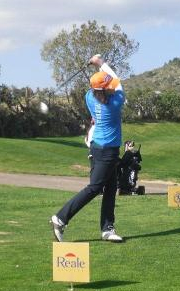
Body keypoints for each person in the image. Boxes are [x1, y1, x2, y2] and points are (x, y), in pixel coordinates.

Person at [50, 55, 125, 243]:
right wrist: (100, 63)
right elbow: (117, 81)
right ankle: (60, 218)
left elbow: (105, 82)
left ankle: (107, 228)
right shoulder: (115, 103)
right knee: (95, 187)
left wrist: (99, 71)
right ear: (105, 89)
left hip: (98, 146)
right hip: (107, 150)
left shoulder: (89, 97)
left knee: (110, 188)